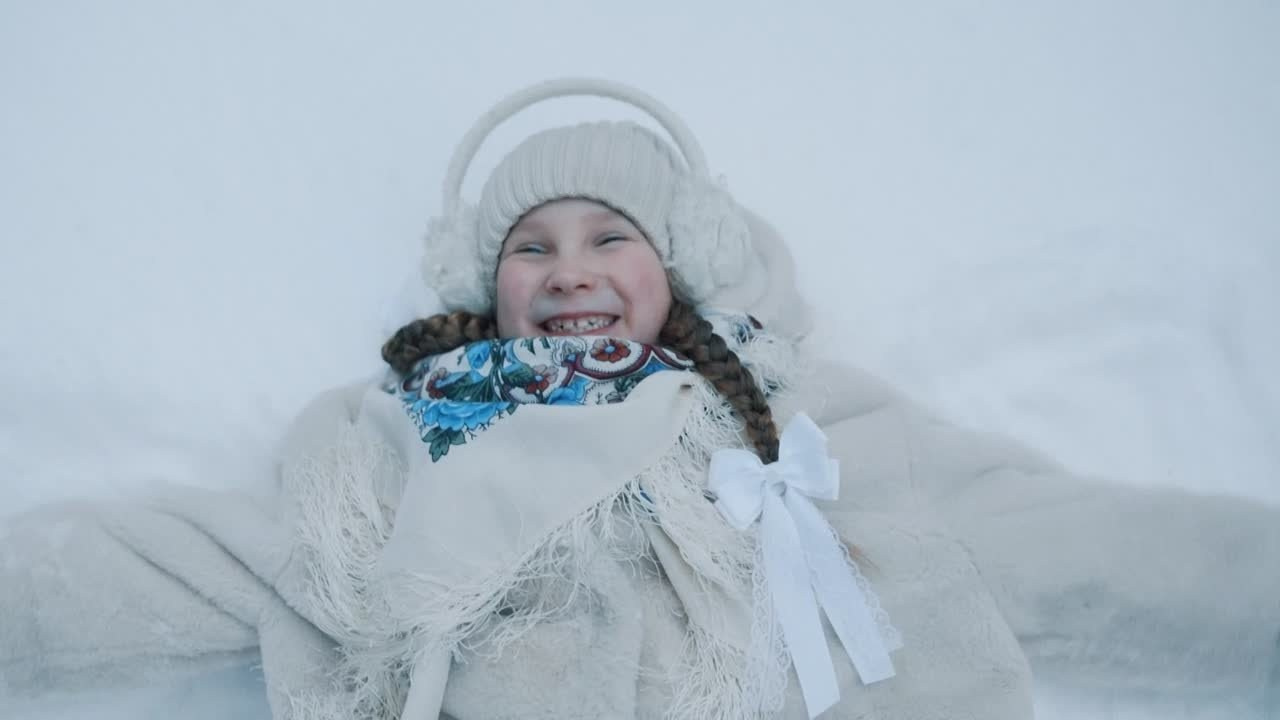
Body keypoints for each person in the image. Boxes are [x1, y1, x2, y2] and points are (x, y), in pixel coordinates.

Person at [3, 78, 1278, 720]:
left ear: (677, 266)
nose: (566, 270)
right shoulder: (394, 447)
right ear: (483, 283)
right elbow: (194, 568)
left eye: (607, 235)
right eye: (528, 245)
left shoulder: (794, 431)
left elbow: (1064, 545)